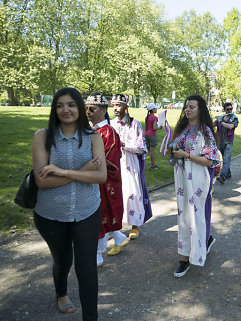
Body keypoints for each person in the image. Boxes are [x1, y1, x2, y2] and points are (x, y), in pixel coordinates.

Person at [32, 87, 107, 320]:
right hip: (50, 214)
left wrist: (62, 172)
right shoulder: (42, 137)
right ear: (54, 109)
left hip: (87, 211)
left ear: (80, 108)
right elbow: (41, 181)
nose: (66, 110)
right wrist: (83, 171)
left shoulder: (93, 137)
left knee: (86, 268)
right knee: (62, 259)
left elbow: (101, 176)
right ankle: (61, 293)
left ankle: (90, 317)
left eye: (71, 105)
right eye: (60, 105)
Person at [168, 95, 220, 277]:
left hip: (197, 179)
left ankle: (191, 256)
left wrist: (186, 155)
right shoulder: (182, 128)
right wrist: (173, 151)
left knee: (196, 216)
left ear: (200, 110)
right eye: (186, 107)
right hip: (182, 179)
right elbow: (177, 150)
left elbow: (210, 160)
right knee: (183, 217)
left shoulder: (205, 131)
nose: (188, 110)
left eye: (192, 107)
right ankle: (186, 253)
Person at [86, 93, 128, 267]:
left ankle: (98, 254)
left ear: (103, 110)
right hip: (92, 179)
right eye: (86, 108)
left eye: (92, 109)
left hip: (104, 182)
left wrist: (88, 163)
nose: (88, 112)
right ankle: (118, 237)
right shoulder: (91, 130)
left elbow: (107, 162)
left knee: (101, 215)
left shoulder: (107, 132)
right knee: (102, 215)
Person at [110, 94, 152, 240]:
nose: (115, 108)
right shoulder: (110, 124)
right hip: (114, 163)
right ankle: (115, 227)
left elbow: (141, 147)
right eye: (114, 105)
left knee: (132, 193)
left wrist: (123, 145)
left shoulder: (135, 124)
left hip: (130, 163)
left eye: (119, 105)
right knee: (115, 193)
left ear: (126, 108)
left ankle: (135, 226)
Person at [214, 101, 238, 184]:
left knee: (226, 159)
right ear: (224, 110)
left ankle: (222, 177)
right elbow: (212, 125)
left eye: (231, 109)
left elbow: (230, 126)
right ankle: (228, 173)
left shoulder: (234, 118)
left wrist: (220, 121)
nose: (229, 111)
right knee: (221, 159)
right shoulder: (221, 117)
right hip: (220, 141)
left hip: (228, 141)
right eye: (227, 109)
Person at [144, 103, 162, 170]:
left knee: (147, 150)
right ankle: (153, 165)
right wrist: (159, 128)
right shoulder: (154, 118)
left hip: (146, 134)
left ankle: (139, 161)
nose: (156, 109)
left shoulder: (147, 117)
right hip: (152, 135)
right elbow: (154, 128)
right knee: (152, 151)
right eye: (155, 108)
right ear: (153, 109)